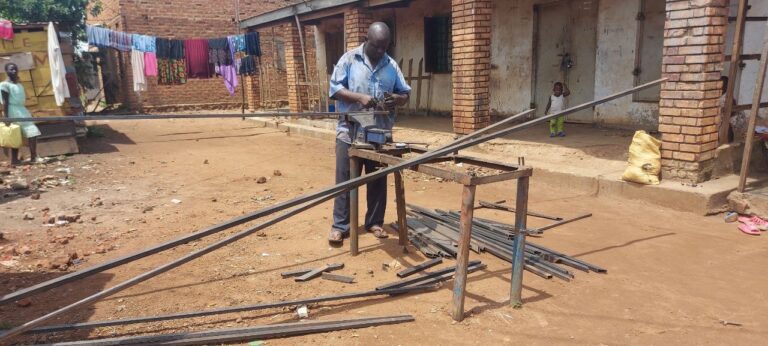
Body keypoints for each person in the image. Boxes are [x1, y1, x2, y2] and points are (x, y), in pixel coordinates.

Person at [327, 22, 411, 245]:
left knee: (377, 179)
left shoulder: (391, 65)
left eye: (385, 47)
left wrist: (398, 99)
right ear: (367, 40)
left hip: (380, 132)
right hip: (350, 131)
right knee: (345, 180)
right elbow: (334, 89)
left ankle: (374, 222)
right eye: (376, 47)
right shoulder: (349, 59)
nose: (381, 51)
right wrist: (359, 98)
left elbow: (405, 93)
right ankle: (340, 227)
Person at [1, 63, 41, 165]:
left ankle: (24, 158)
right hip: (12, 110)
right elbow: (5, 102)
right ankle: (27, 158)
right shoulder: (4, 85)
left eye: (15, 69)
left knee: (25, 133)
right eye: (11, 69)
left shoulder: (18, 84)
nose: (14, 71)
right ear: (6, 71)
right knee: (20, 133)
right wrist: (6, 118)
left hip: (21, 110)